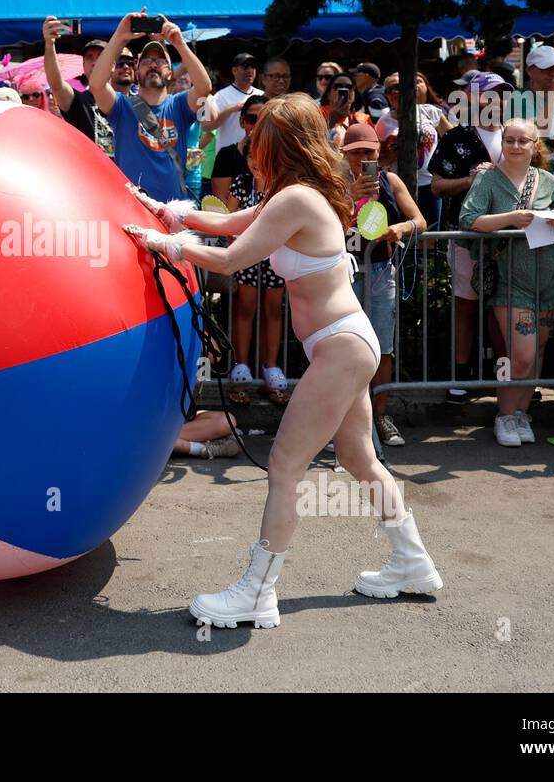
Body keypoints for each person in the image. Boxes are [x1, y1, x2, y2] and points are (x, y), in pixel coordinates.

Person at [125, 93, 442, 627]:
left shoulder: (298, 197)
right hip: (344, 344)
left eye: (260, 140)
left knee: (284, 465)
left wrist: (168, 244)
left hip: (340, 348)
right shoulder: (300, 192)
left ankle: (257, 592)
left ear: (283, 144)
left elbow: (229, 256)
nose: (251, 150)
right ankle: (412, 563)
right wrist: (169, 210)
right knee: (360, 460)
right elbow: (229, 224)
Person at [459, 118, 554, 447]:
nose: (517, 146)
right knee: (518, 354)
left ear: (536, 145)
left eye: (524, 141)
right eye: (511, 140)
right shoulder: (487, 179)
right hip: (510, 278)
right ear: (502, 143)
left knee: (537, 353)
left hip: (547, 275)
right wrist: (509, 219)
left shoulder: (548, 181)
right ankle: (504, 415)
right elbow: (468, 220)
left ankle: (521, 413)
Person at [341, 122, 426, 446]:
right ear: (344, 153)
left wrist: (401, 229)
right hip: (344, 270)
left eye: (368, 151)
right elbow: (324, 222)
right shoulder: (333, 183)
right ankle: (346, 420)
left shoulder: (389, 179)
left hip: (379, 268)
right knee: (345, 348)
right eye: (356, 152)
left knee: (381, 346)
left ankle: (379, 416)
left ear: (378, 152)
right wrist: (349, 198)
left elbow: (420, 220)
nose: (362, 157)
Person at [430, 70, 511, 402]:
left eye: (503, 94)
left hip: (511, 236)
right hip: (466, 235)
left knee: (506, 306)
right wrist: (470, 180)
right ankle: (461, 373)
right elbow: (436, 187)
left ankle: (507, 374)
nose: (497, 101)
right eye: (489, 94)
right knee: (466, 303)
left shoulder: (519, 135)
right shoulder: (456, 138)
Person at [88, 11, 214, 204]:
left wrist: (179, 43)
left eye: (161, 61)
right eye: (147, 61)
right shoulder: (122, 105)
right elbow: (96, 84)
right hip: (132, 208)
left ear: (171, 72)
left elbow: (204, 87)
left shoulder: (179, 104)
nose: (153, 65)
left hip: (174, 212)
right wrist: (120, 36)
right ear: (137, 70)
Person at [210, 95, 287, 406]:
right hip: (246, 253)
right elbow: (229, 219)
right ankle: (240, 372)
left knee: (272, 309)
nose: (257, 162)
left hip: (276, 255)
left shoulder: (283, 184)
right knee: (244, 307)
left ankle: (271, 369)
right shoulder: (241, 182)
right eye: (253, 157)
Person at [376, 71, 444, 227]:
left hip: (429, 184)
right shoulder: (383, 123)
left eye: (398, 86)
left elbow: (452, 139)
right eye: (388, 89)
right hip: (400, 186)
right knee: (405, 236)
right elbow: (378, 159)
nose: (394, 92)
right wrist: (394, 154)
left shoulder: (430, 111)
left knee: (431, 240)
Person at [41, 21, 108, 144]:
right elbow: (56, 84)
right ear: (83, 66)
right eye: (89, 57)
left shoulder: (125, 102)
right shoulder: (78, 101)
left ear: (112, 65)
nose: (94, 62)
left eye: (100, 56)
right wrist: (49, 44)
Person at [212, 53, 264, 152]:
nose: (250, 70)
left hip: (255, 156)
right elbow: (208, 126)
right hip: (228, 157)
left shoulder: (262, 95)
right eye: (245, 66)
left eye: (253, 66)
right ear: (234, 70)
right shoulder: (220, 96)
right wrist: (231, 109)